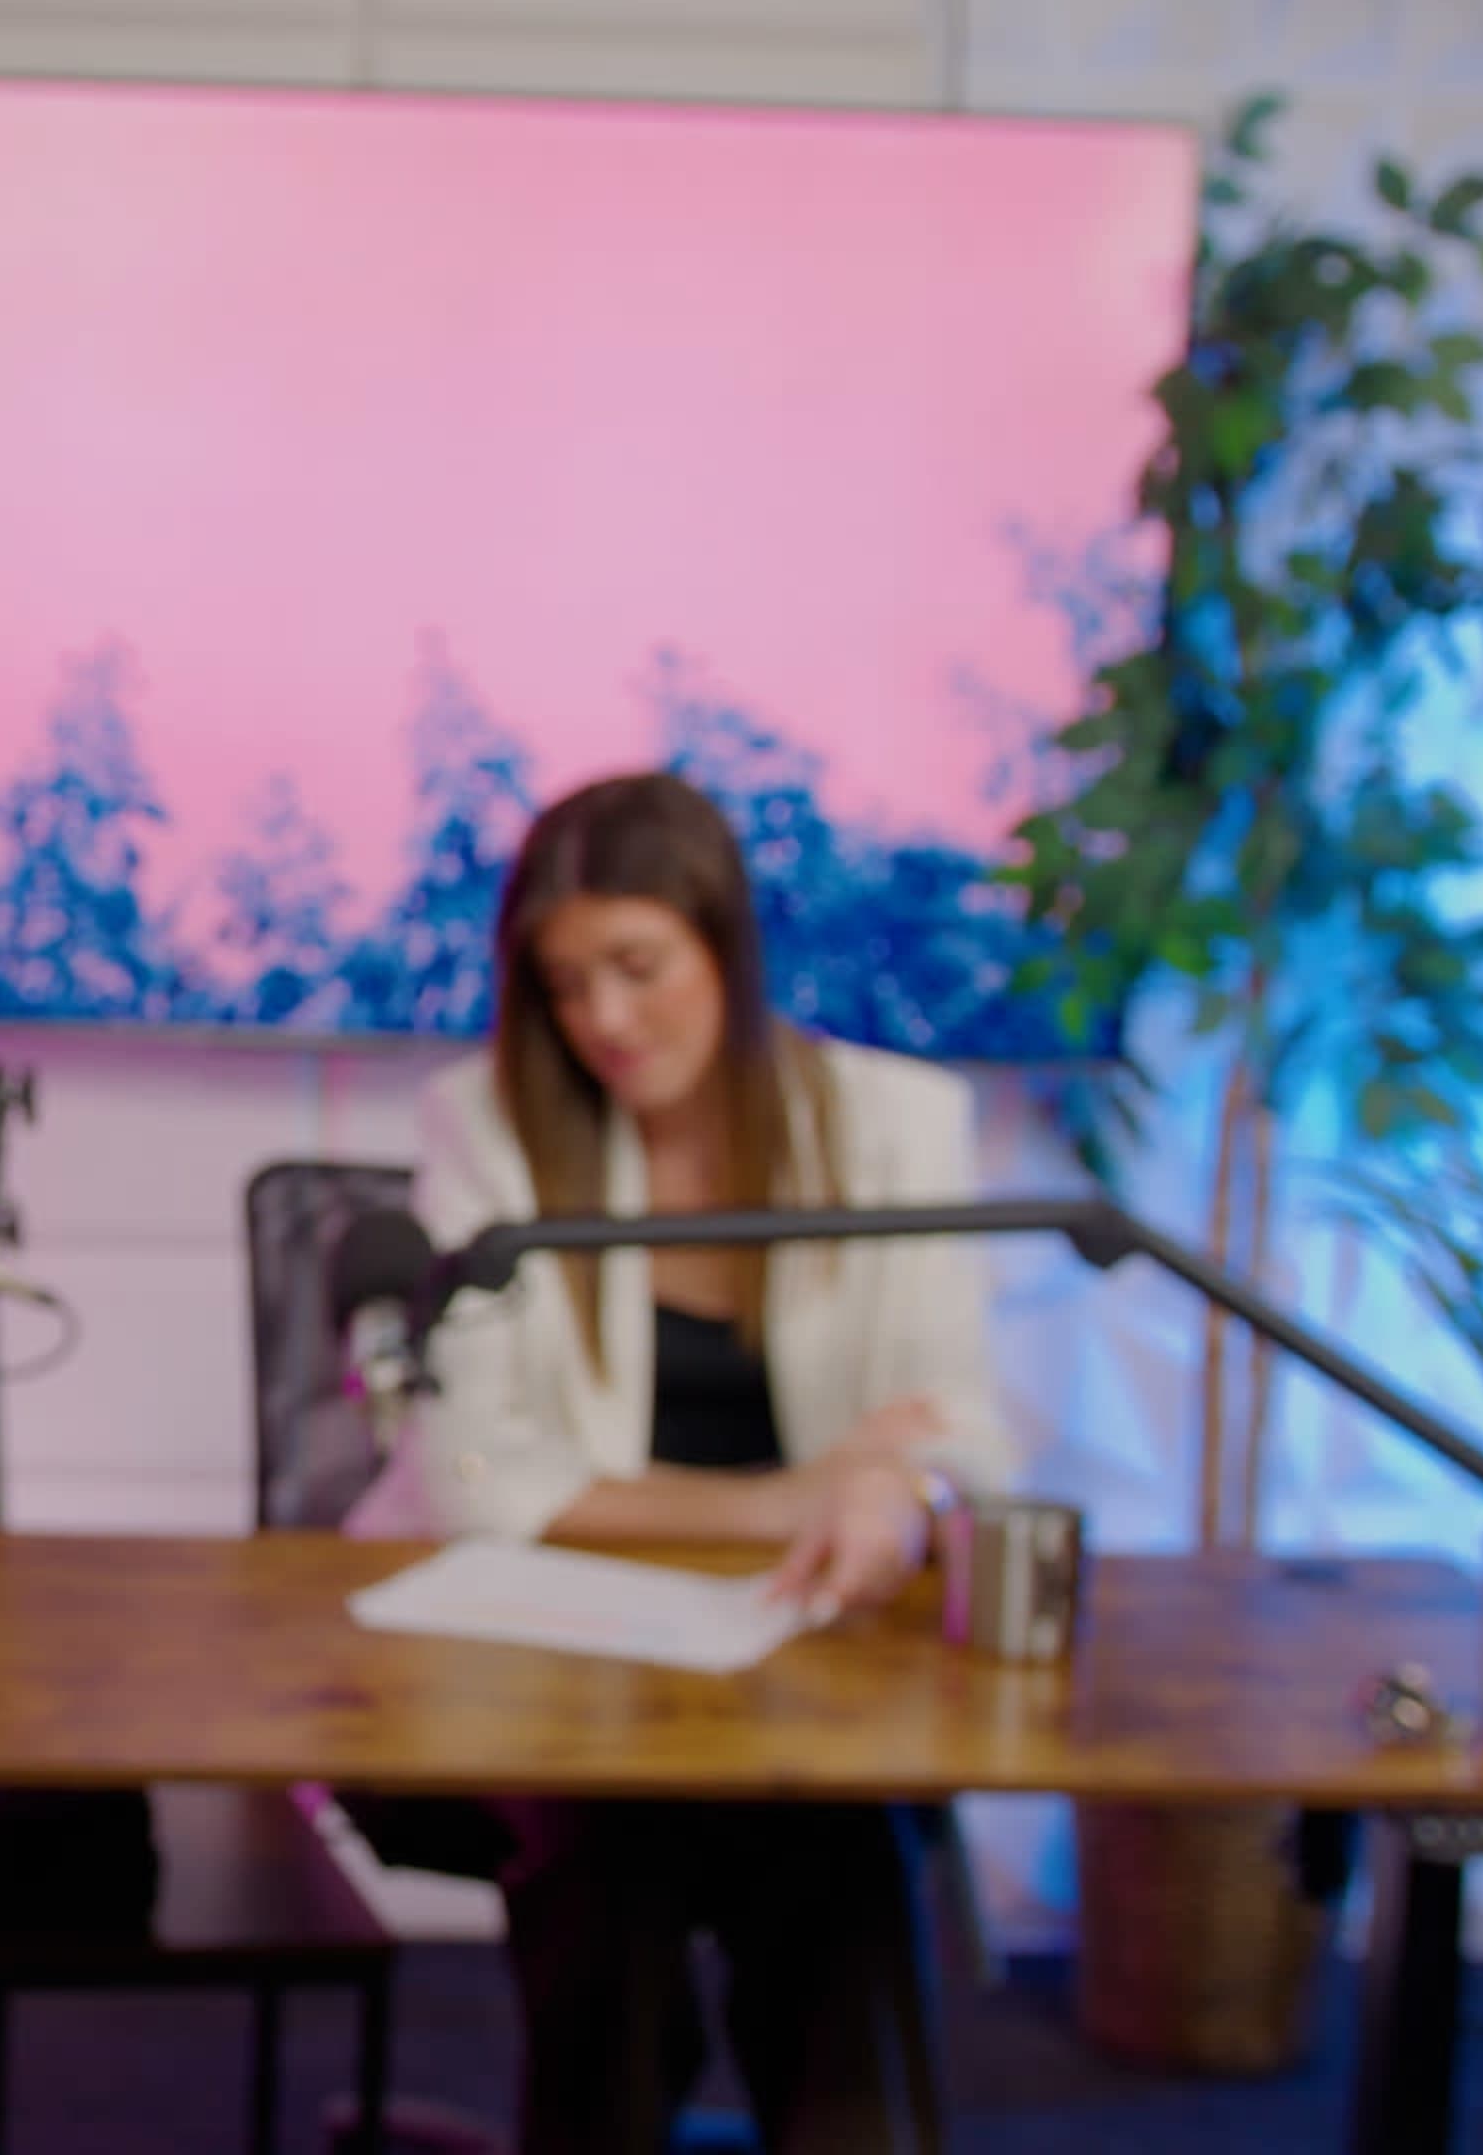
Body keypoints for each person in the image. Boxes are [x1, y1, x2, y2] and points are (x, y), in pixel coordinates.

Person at [347, 772, 1015, 2155]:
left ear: (727, 947)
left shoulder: (898, 1127)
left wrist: (898, 1486)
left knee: (835, 1848)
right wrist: (796, 1492)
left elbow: (961, 1425)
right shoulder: (488, 1123)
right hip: (548, 1653)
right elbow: (482, 1479)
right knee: (613, 1843)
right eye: (566, 982)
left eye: (638, 969)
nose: (602, 1020)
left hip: (800, 1652)